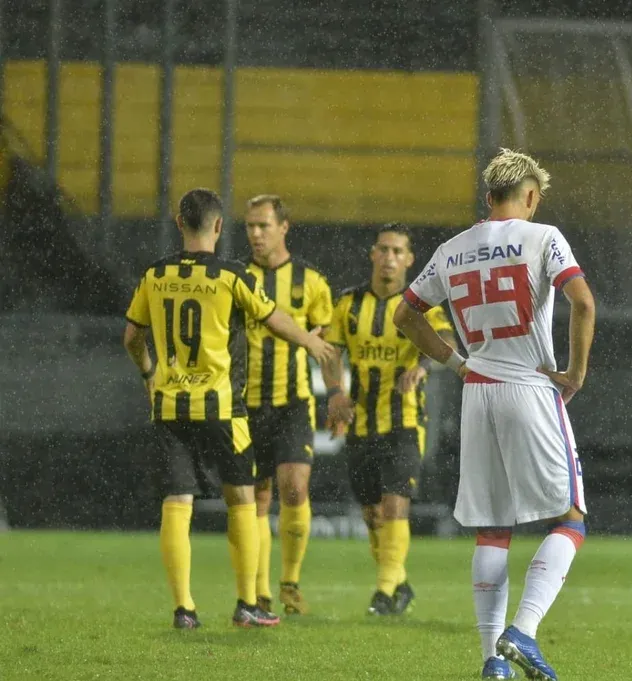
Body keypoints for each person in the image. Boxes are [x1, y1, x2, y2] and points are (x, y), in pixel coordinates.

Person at [393, 149, 596, 681]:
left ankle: (493, 661)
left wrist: (455, 363)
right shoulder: (543, 237)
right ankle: (523, 630)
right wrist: (575, 374)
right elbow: (583, 303)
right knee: (570, 519)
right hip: (529, 386)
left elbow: (405, 314)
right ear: (530, 196)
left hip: (477, 391)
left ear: (489, 197)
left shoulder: (452, 250)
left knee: (492, 530)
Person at [122, 188, 337, 629]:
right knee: (243, 500)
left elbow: (132, 337)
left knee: (177, 504)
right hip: (222, 407)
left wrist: (149, 374)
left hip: (170, 407)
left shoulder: (154, 275)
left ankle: (184, 609)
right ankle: (247, 604)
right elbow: (274, 317)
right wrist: (310, 341)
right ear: (219, 226)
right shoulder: (231, 275)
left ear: (179, 223)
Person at [323, 223, 457, 616]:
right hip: (361, 421)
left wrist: (422, 367)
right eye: (383, 249)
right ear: (372, 254)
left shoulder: (421, 305)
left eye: (398, 251)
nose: (389, 258)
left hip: (405, 421)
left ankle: (383, 593)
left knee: (395, 504)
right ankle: (399, 584)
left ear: (409, 259)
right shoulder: (348, 304)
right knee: (372, 514)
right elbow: (330, 353)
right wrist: (335, 393)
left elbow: (447, 343)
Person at [243, 194, 334, 616]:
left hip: (293, 401)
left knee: (294, 487)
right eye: (250, 226)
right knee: (257, 498)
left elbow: (327, 345)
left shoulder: (311, 281)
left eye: (263, 225)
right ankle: (260, 590)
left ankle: (290, 581)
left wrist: (336, 394)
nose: (255, 233)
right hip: (246, 403)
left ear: (284, 227)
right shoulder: (237, 278)